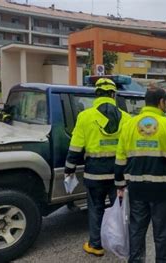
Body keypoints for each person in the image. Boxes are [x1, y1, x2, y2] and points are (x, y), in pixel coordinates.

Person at [115, 87, 166, 263]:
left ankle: (136, 260)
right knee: (163, 231)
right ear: (161, 102)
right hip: (162, 188)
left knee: (136, 229)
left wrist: (120, 184)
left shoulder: (128, 125)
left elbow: (120, 158)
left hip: (136, 187)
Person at [64, 77, 131, 256]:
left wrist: (69, 170)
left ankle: (96, 245)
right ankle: (122, 243)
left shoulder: (85, 117)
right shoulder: (126, 118)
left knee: (96, 208)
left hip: (94, 174)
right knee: (120, 209)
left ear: (97, 95)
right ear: (113, 94)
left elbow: (75, 147)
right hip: (119, 175)